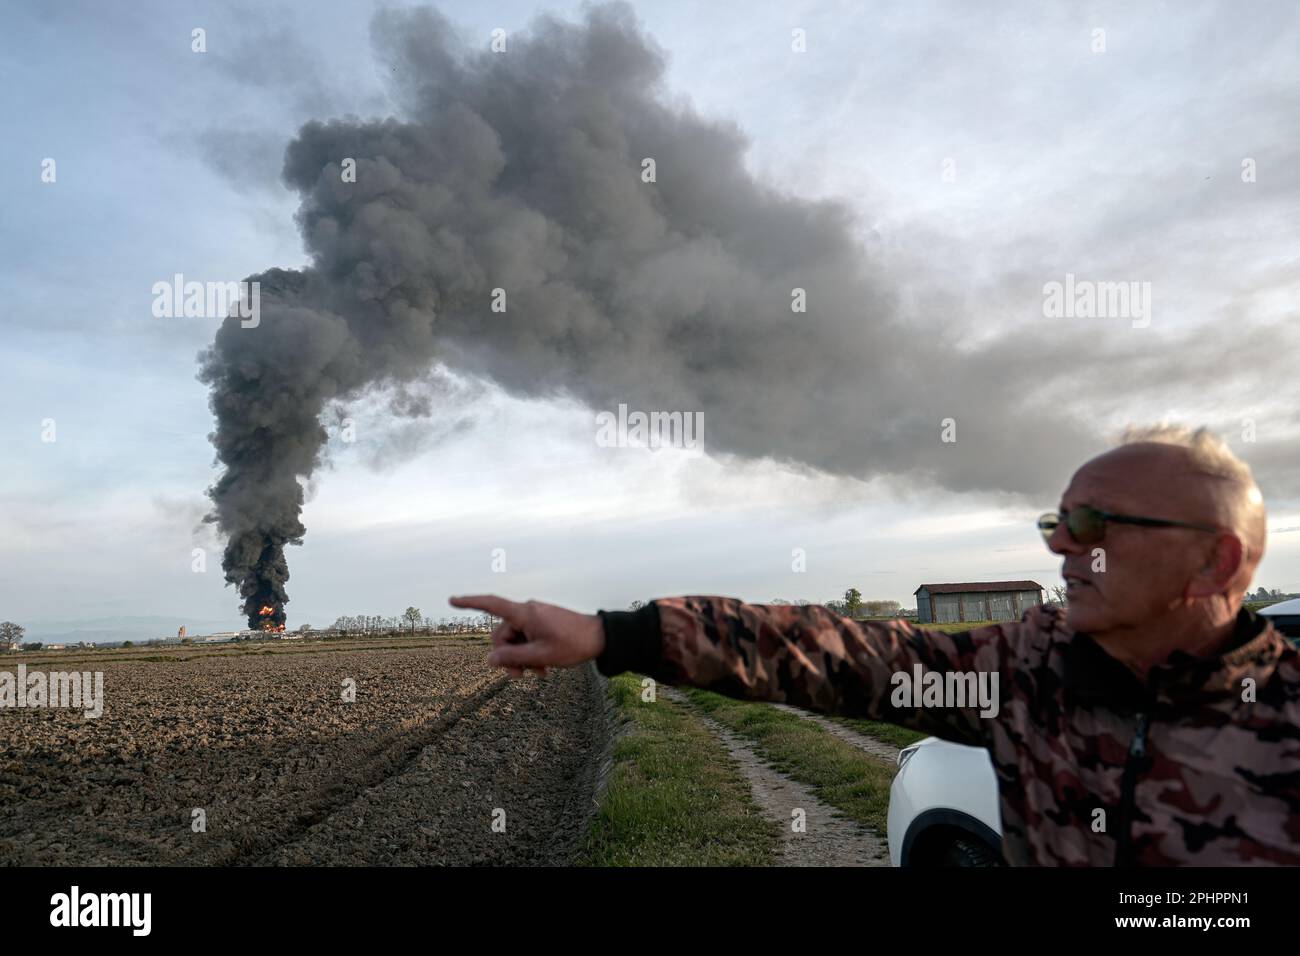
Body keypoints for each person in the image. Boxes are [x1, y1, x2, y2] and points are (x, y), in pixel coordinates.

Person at [451, 424, 1299, 865]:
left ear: (1213, 559)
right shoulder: (1026, 673)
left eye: (1092, 525)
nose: (1062, 550)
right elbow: (836, 653)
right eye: (1056, 523)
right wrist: (613, 633)